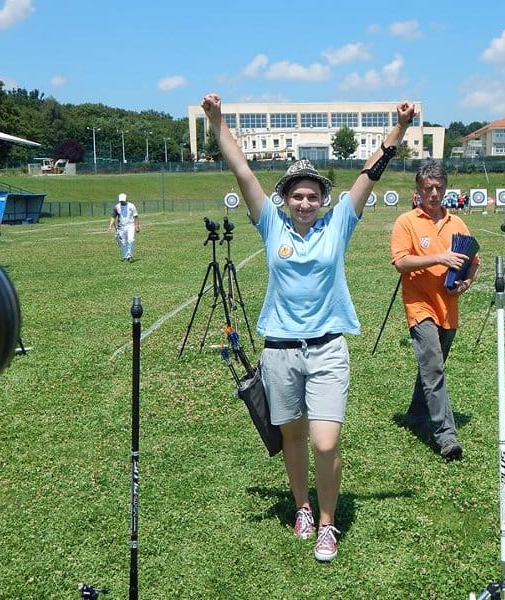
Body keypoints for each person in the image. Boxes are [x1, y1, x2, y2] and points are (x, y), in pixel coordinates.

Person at [201, 92, 415, 562]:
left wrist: (397, 130)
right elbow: (242, 170)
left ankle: (327, 522)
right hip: (279, 350)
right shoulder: (270, 226)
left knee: (326, 439)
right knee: (292, 436)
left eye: (312, 195)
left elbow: (368, 176)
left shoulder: (338, 224)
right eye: (296, 195)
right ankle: (302, 507)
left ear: (323, 199)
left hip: (326, 349)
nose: (304, 202)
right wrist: (217, 122)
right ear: (286, 199)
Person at [390, 159, 481, 461]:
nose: (433, 193)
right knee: (434, 367)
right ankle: (446, 436)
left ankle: (416, 415)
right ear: (418, 189)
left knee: (431, 367)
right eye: (428, 187)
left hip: (449, 308)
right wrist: (438, 258)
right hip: (419, 306)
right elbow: (401, 261)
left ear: (445, 189)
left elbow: (474, 262)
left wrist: (465, 283)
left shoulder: (457, 223)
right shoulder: (407, 222)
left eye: (438, 187)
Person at [108, 193, 140, 261]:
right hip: (121, 227)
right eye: (121, 201)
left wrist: (137, 226)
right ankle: (125, 257)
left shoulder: (131, 206)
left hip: (130, 225)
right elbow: (113, 217)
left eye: (123, 200)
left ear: (126, 199)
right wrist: (110, 226)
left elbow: (135, 216)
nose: (122, 202)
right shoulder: (117, 207)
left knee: (131, 240)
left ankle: (130, 256)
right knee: (123, 242)